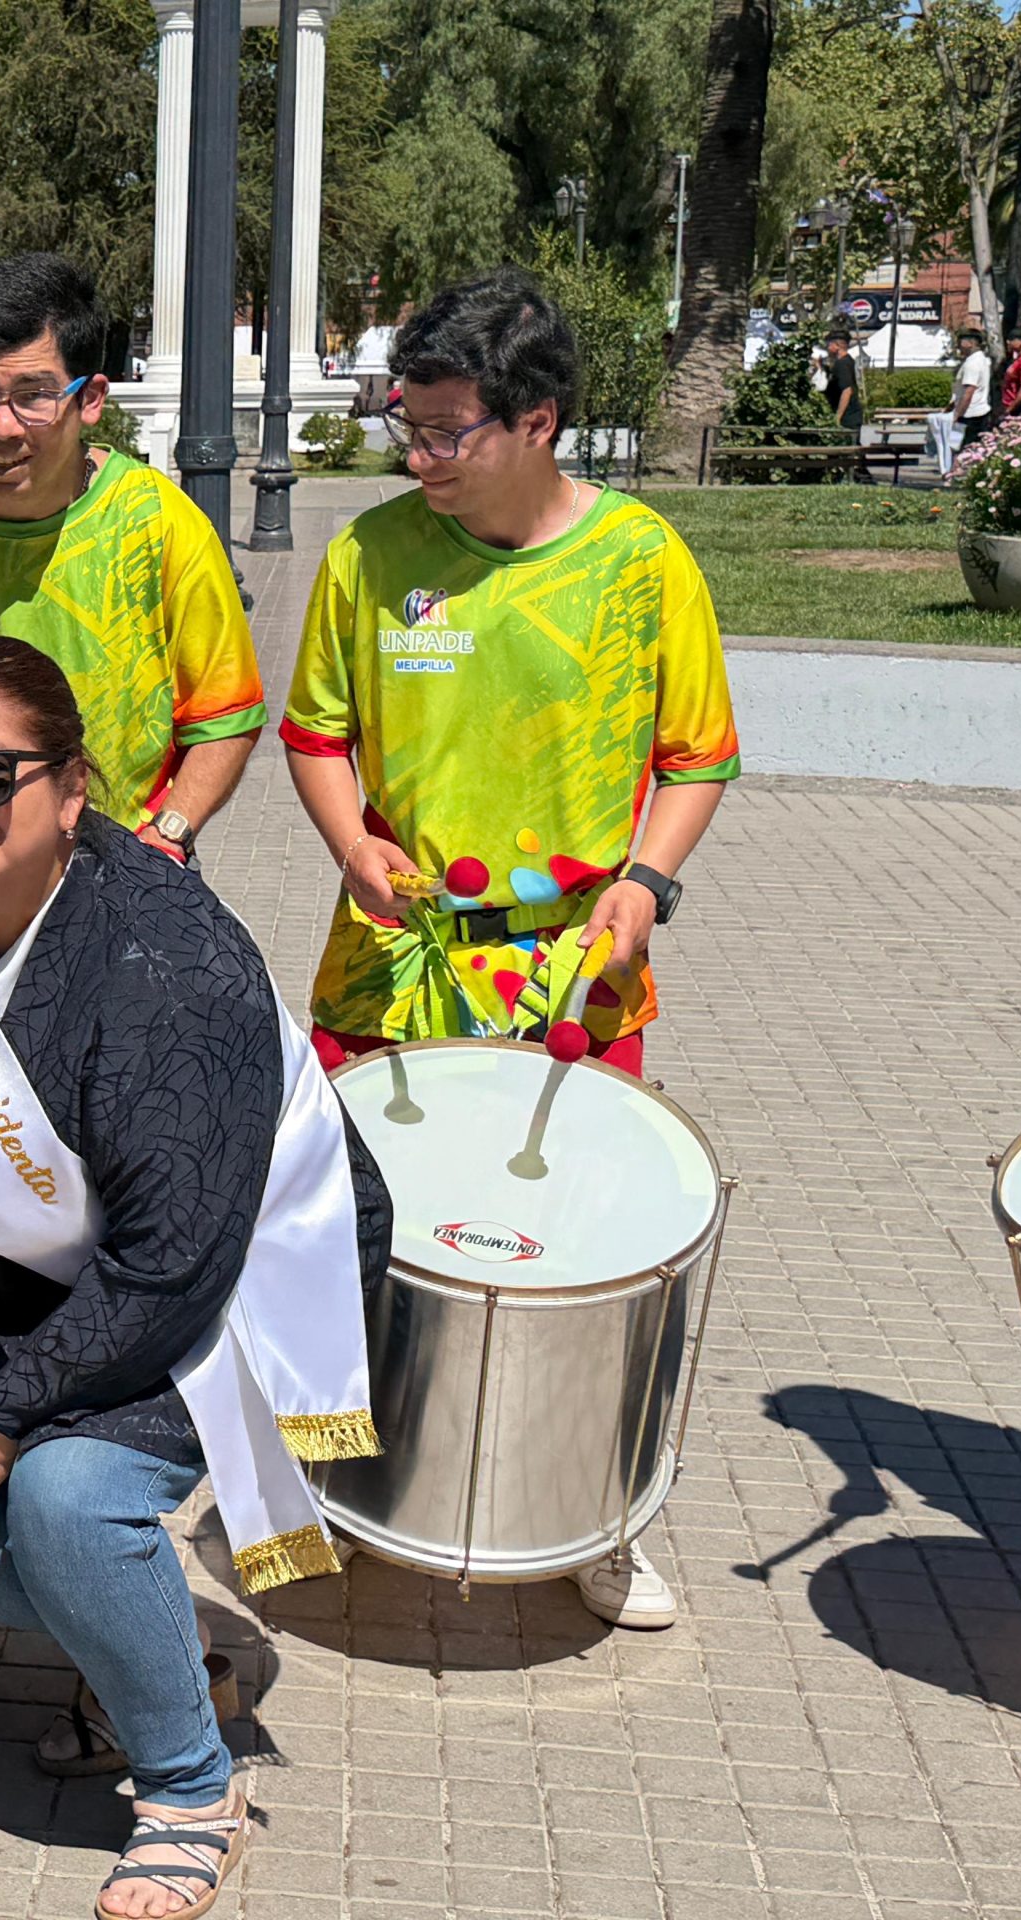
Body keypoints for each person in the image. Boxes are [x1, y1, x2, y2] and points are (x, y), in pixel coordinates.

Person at [0, 637, 389, 1920]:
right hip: (84, 1278)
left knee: (61, 1499)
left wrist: (6, 1416)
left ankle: (187, 1785)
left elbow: (176, 1258)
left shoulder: (162, 963)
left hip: (243, 1279)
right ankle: (178, 1656)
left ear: (71, 788)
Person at [280, 267, 738, 1629]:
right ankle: (332, 1487)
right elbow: (315, 733)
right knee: (352, 1227)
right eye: (405, 429)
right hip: (397, 959)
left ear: (537, 422)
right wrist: (354, 846)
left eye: (447, 432)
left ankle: (597, 1513)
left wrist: (647, 884)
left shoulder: (640, 562)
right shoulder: (372, 558)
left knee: (582, 1239)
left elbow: (696, 757)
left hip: (568, 971)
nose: (418, 458)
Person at [0, 253, 265, 861]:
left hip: (128, 864)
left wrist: (166, 837)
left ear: (89, 399)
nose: (1, 428)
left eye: (34, 396)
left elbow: (226, 715)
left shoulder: (159, 525)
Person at [951, 325, 996, 453]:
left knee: (964, 450)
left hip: (970, 414)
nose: (958, 345)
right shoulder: (980, 359)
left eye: (960, 341)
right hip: (977, 412)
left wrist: (957, 414)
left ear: (970, 343)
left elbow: (968, 392)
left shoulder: (972, 363)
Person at [821, 329, 862, 435]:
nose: (827, 347)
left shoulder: (842, 364)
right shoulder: (847, 361)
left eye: (829, 344)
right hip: (850, 415)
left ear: (837, 345)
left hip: (847, 417)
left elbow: (847, 390)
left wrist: (838, 417)